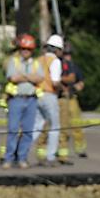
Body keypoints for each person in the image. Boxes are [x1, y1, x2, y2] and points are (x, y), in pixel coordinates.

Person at [2, 34, 44, 169]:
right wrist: (29, 77)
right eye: (24, 48)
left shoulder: (36, 63)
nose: (26, 51)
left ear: (32, 50)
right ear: (20, 49)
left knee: (27, 131)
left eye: (29, 49)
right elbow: (13, 78)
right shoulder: (13, 62)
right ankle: (8, 158)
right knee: (13, 130)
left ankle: (22, 158)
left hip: (31, 100)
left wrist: (23, 76)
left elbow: (39, 78)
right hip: (16, 100)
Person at [32, 34, 63, 167]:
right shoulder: (55, 61)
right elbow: (55, 82)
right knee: (54, 127)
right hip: (50, 95)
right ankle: (51, 157)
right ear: (57, 50)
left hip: (37, 94)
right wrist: (64, 88)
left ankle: (21, 152)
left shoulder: (38, 59)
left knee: (36, 127)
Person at [60, 42, 88, 158]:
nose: (68, 56)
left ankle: (80, 148)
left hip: (72, 99)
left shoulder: (74, 67)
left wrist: (77, 87)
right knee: (62, 126)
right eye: (66, 54)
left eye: (69, 54)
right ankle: (61, 150)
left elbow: (81, 82)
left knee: (77, 124)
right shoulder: (58, 65)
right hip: (61, 99)